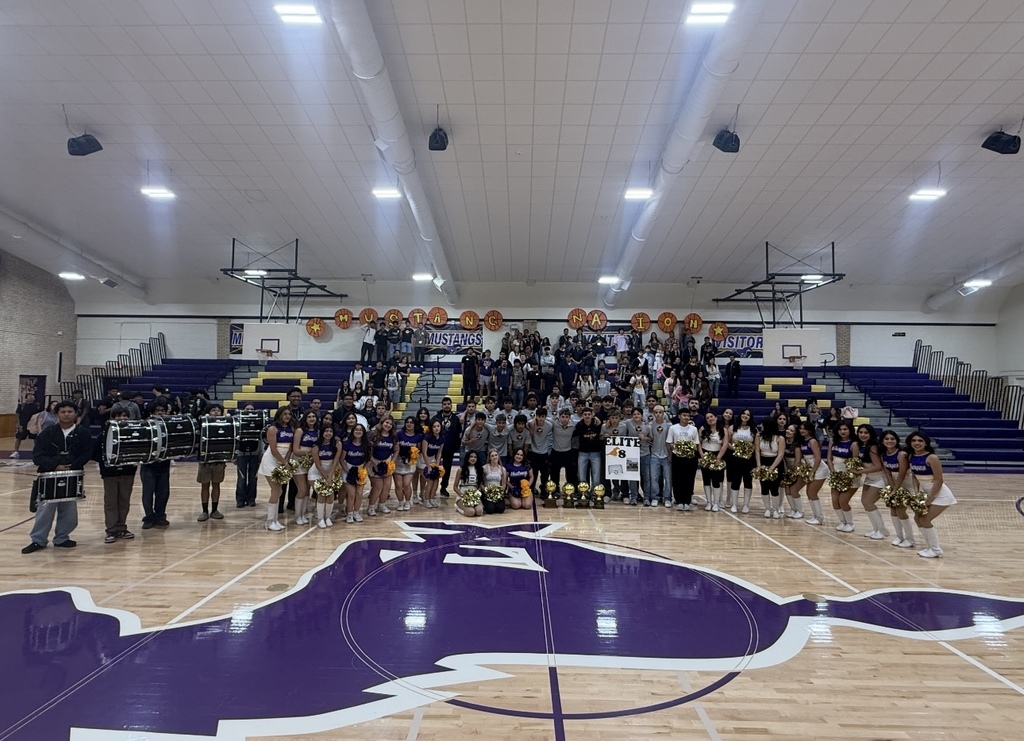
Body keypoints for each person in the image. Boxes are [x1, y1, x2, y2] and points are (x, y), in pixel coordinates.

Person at [22, 401, 91, 553]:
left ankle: (62, 538)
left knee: (69, 510)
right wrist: (55, 465)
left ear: (75, 414)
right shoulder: (47, 433)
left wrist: (73, 465)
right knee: (45, 510)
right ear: (56, 414)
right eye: (63, 412)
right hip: (49, 475)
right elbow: (38, 456)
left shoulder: (82, 432)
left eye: (70, 411)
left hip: (72, 475)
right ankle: (38, 540)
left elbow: (87, 453)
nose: (67, 414)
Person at [906, 431, 956, 558]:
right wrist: (917, 494)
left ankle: (936, 549)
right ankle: (929, 546)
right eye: (914, 441)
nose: (917, 443)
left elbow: (939, 480)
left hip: (940, 495)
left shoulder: (931, 458)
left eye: (920, 441)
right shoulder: (911, 457)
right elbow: (914, 476)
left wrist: (930, 498)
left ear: (926, 443)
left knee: (925, 519)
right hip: (927, 494)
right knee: (918, 519)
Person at [94, 408, 137, 543]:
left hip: (128, 472)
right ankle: (111, 529)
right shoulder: (104, 435)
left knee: (124, 501)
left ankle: (122, 527)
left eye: (125, 416)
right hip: (110, 473)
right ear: (112, 418)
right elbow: (95, 454)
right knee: (111, 502)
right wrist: (108, 461)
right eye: (118, 416)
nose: (121, 418)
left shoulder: (133, 434)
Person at [257, 407, 295, 532]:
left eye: (289, 414)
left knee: (278, 492)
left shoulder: (291, 429)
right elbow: (273, 449)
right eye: (285, 414)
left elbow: (290, 448)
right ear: (279, 415)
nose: (287, 416)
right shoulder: (273, 429)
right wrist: (284, 462)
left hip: (283, 462)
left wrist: (287, 461)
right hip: (271, 461)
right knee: (276, 490)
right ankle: (269, 521)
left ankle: (275, 519)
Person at [139, 402, 172, 530]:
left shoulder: (169, 425)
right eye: (157, 410)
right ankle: (149, 517)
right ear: (151, 412)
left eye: (162, 410)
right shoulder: (145, 425)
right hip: (148, 464)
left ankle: (160, 515)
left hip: (164, 464)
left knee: (163, 492)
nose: (160, 412)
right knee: (148, 492)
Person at [879, 430, 914, 548]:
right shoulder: (883, 455)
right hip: (895, 484)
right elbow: (888, 473)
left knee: (900, 511)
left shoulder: (901, 454)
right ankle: (899, 536)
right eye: (887, 439)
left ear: (897, 441)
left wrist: (895, 490)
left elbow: (902, 473)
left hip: (907, 484)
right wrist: (891, 488)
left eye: (892, 439)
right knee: (893, 510)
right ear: (882, 441)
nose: (889, 441)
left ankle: (910, 539)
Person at [856, 424, 889, 540]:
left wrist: (860, 471)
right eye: (860, 432)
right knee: (865, 502)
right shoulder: (861, 446)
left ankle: (882, 529)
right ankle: (876, 529)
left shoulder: (873, 447)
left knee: (869, 502)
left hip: (879, 478)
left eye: (866, 433)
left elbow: (878, 466)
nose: (863, 435)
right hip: (869, 478)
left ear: (871, 434)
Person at [196, 403, 227, 522]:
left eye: (218, 410)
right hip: (205, 459)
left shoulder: (225, 425)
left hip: (219, 459)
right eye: (213, 410)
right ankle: (204, 511)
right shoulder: (202, 424)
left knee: (216, 484)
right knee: (204, 485)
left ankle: (214, 510)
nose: (216, 412)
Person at [827, 421, 859, 533]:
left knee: (843, 501)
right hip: (836, 475)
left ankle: (850, 523)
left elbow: (855, 462)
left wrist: (849, 475)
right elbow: (829, 458)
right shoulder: (833, 441)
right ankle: (842, 521)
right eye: (840, 429)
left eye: (845, 429)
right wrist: (833, 472)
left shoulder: (854, 444)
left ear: (850, 430)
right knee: (835, 501)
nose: (842, 432)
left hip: (850, 477)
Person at [795, 421, 828, 526]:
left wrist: (812, 472)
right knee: (809, 493)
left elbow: (818, 458)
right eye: (800, 428)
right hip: (811, 469)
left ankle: (819, 517)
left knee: (812, 493)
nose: (802, 430)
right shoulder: (803, 441)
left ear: (809, 430)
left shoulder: (812, 441)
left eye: (804, 428)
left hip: (819, 469)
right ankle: (816, 516)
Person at [666, 408, 700, 511]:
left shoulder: (693, 429)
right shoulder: (673, 428)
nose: (686, 417)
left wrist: (688, 448)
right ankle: (679, 500)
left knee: (689, 479)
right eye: (684, 415)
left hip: (690, 457)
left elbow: (696, 443)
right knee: (677, 479)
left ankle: (687, 501)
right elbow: (669, 442)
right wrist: (677, 447)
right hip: (677, 456)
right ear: (679, 416)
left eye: (688, 416)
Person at [291, 411, 320, 526]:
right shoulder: (300, 431)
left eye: (314, 416)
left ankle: (303, 514)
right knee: (302, 489)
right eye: (309, 417)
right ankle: (298, 516)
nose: (312, 419)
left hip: (311, 462)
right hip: (299, 461)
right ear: (305, 418)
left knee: (307, 490)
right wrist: (309, 453)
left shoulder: (318, 432)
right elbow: (296, 449)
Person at [308, 424, 340, 528]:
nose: (328, 433)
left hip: (330, 471)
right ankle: (320, 519)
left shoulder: (337, 444)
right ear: (322, 433)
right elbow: (317, 464)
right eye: (326, 431)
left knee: (330, 496)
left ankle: (328, 517)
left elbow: (335, 461)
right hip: (316, 473)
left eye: (330, 431)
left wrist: (330, 475)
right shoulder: (316, 446)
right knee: (321, 494)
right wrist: (325, 477)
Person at [725, 408, 756, 514]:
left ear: (750, 417)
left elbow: (755, 445)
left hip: (749, 459)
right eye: (743, 413)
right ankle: (734, 504)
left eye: (748, 414)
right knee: (735, 480)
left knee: (748, 481)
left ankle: (746, 505)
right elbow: (727, 442)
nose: (745, 416)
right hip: (735, 458)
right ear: (740, 415)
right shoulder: (732, 427)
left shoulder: (753, 429)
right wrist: (735, 448)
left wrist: (748, 450)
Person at [755, 415, 786, 518]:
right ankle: (767, 509)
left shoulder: (779, 438)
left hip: (776, 463)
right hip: (763, 461)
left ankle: (776, 509)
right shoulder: (759, 436)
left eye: (762, 425)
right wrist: (759, 466)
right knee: (764, 487)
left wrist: (772, 468)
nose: (761, 426)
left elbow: (780, 454)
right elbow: (757, 451)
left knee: (774, 488)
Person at [367, 416, 397, 515]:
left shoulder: (393, 436)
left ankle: (381, 505)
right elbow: (368, 451)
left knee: (387, 486)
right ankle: (371, 507)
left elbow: (397, 450)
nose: (388, 425)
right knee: (378, 486)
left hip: (387, 461)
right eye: (386, 423)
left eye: (390, 424)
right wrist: (374, 463)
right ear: (382, 422)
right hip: (373, 462)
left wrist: (392, 462)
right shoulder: (373, 434)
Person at [698, 410, 727, 512]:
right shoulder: (702, 429)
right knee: (706, 480)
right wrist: (702, 455)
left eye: (711, 417)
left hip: (717, 456)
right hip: (705, 455)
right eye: (707, 418)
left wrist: (718, 458)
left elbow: (725, 444)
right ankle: (708, 502)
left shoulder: (723, 430)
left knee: (716, 480)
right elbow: (698, 444)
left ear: (716, 417)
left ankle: (716, 502)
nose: (710, 419)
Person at [340, 424, 370, 523]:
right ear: (352, 431)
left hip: (360, 470)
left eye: (360, 430)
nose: (358, 431)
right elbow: (341, 459)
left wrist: (363, 469)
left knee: (359, 494)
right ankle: (349, 514)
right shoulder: (347, 444)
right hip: (348, 469)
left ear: (363, 432)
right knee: (351, 494)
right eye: (356, 429)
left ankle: (356, 513)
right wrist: (348, 472)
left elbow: (368, 459)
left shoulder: (367, 444)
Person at [433, 397, 461, 497]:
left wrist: (455, 447)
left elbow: (458, 434)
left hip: (449, 448)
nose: (446, 406)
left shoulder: (455, 419)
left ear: (451, 405)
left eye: (448, 404)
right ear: (442, 405)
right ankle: (432, 487)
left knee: (447, 469)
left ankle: (443, 487)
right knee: (434, 467)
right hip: (436, 448)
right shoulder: (436, 418)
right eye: (444, 404)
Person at [394, 416, 423, 511]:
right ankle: (400, 502)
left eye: (411, 422)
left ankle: (407, 501)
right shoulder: (399, 434)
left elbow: (419, 449)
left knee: (406, 484)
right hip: (398, 462)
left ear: (415, 424)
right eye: (407, 422)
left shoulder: (418, 436)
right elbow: (395, 448)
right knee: (398, 485)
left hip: (410, 463)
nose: (409, 424)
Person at [573, 407, 603, 490]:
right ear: (582, 415)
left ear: (592, 415)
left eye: (589, 414)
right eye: (585, 414)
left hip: (595, 453)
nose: (587, 416)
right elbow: (574, 437)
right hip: (582, 453)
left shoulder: (597, 424)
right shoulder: (579, 425)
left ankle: (595, 493)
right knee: (581, 475)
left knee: (596, 475)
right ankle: (583, 492)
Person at [527, 408, 553, 496]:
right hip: (533, 452)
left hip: (544, 452)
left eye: (543, 416)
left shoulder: (549, 425)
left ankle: (544, 489)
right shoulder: (531, 423)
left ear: (545, 417)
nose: (540, 419)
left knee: (545, 473)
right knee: (533, 472)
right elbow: (525, 424)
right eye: (538, 416)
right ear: (536, 416)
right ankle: (532, 488)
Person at [421, 420, 445, 508]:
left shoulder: (442, 438)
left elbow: (439, 453)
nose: (436, 428)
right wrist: (428, 466)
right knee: (430, 479)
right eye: (434, 426)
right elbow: (424, 452)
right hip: (423, 460)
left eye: (438, 426)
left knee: (436, 479)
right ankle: (426, 500)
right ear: (431, 428)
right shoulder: (427, 437)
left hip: (432, 460)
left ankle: (431, 498)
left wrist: (437, 465)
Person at [455, 450, 484, 517]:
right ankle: (457, 507)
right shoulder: (461, 470)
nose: (473, 458)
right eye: (471, 457)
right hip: (463, 494)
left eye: (475, 457)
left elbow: (479, 486)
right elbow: (455, 487)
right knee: (471, 512)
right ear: (467, 458)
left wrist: (476, 494)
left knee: (479, 512)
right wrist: (463, 496)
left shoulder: (480, 469)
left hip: (474, 495)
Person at [12, 391, 41, 458]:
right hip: (23, 424)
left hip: (33, 425)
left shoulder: (37, 406)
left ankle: (37, 452)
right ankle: (15, 451)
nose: (31, 397)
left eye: (32, 396)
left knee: (36, 439)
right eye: (29, 396)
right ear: (26, 398)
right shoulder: (22, 406)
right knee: (18, 438)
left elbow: (39, 415)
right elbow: (17, 415)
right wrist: (19, 425)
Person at [482, 449, 508, 515]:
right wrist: (485, 491)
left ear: (498, 456)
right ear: (489, 458)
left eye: (496, 455)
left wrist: (499, 493)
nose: (494, 457)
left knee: (501, 509)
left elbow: (504, 484)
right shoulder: (484, 468)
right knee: (490, 510)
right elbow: (480, 482)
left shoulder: (502, 469)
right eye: (492, 456)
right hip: (487, 493)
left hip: (498, 493)